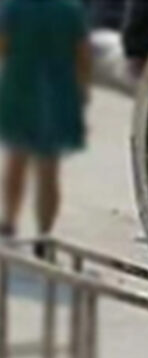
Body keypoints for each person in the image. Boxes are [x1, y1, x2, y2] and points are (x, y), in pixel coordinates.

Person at [0, 0, 91, 255]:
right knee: (49, 169)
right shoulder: (69, 9)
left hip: (20, 87)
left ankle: (9, 222)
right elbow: (82, 53)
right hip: (58, 93)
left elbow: (3, 44)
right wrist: (81, 91)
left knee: (16, 161)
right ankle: (44, 233)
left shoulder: (14, 6)